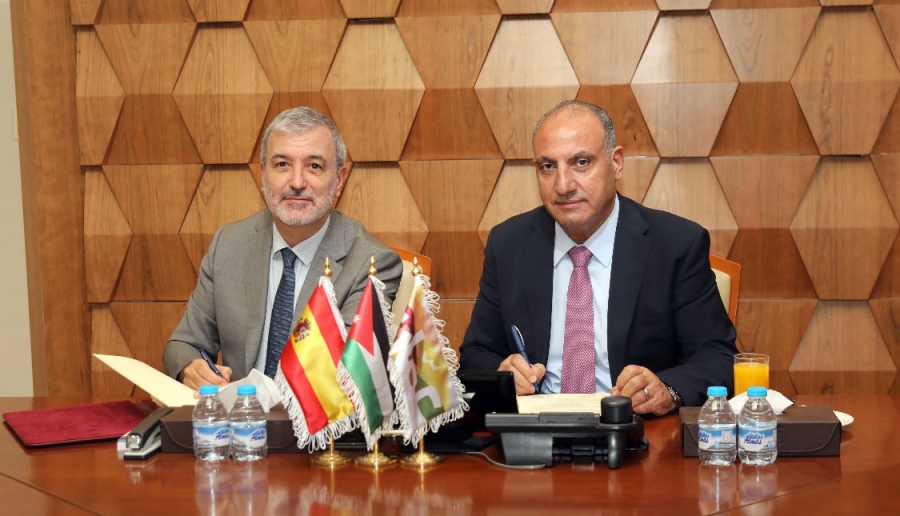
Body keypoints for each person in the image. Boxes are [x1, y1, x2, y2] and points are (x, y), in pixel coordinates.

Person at [459, 100, 738, 415]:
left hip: (634, 430)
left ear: (616, 163)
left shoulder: (676, 245)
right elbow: (474, 355)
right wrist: (502, 373)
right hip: (536, 430)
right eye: (547, 166)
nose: (563, 185)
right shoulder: (509, 245)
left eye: (580, 163)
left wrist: (666, 389)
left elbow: (718, 359)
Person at [164, 107, 402, 390]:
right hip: (237, 414)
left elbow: (345, 375)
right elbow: (182, 345)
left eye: (314, 166)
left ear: (339, 180)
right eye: (282, 165)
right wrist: (191, 367)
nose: (297, 182)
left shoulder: (371, 264)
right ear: (263, 174)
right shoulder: (228, 244)